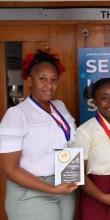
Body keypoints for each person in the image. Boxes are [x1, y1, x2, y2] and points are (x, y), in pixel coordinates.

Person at [0, 50, 78, 220]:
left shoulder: (60, 106)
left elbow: (71, 141)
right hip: (31, 192)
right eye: (42, 78)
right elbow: (7, 169)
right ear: (29, 80)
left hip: (63, 185)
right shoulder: (17, 114)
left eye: (54, 79)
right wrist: (50, 189)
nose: (49, 85)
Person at [72, 78, 110, 220]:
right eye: (104, 98)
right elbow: (77, 175)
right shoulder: (85, 131)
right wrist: (103, 197)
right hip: (96, 193)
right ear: (95, 102)